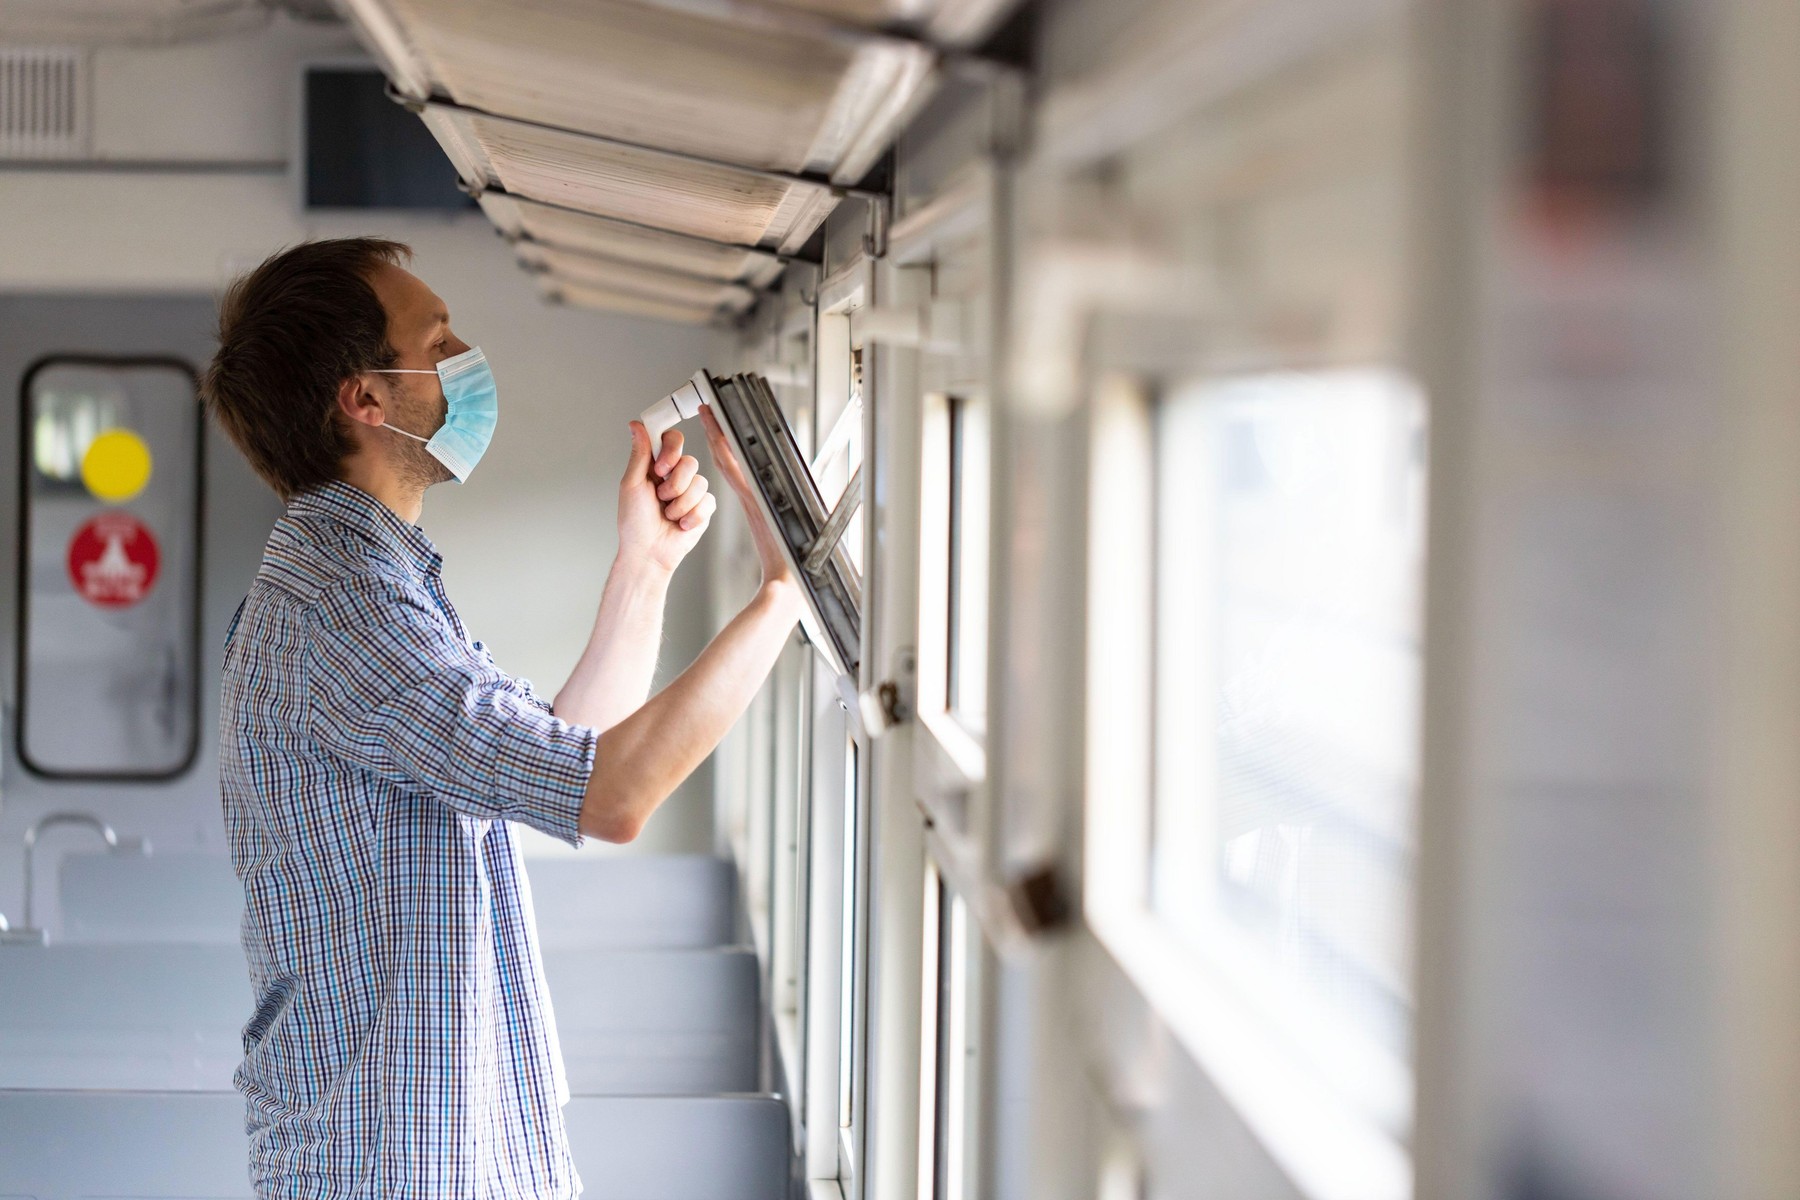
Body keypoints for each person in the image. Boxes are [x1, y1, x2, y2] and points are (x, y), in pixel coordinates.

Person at [200, 237, 801, 1197]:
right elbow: (612, 797)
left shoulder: (382, 583)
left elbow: (560, 762)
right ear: (366, 397)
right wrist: (783, 589)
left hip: (434, 1145)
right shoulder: (345, 605)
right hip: (385, 1164)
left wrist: (645, 566)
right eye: (438, 340)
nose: (466, 356)